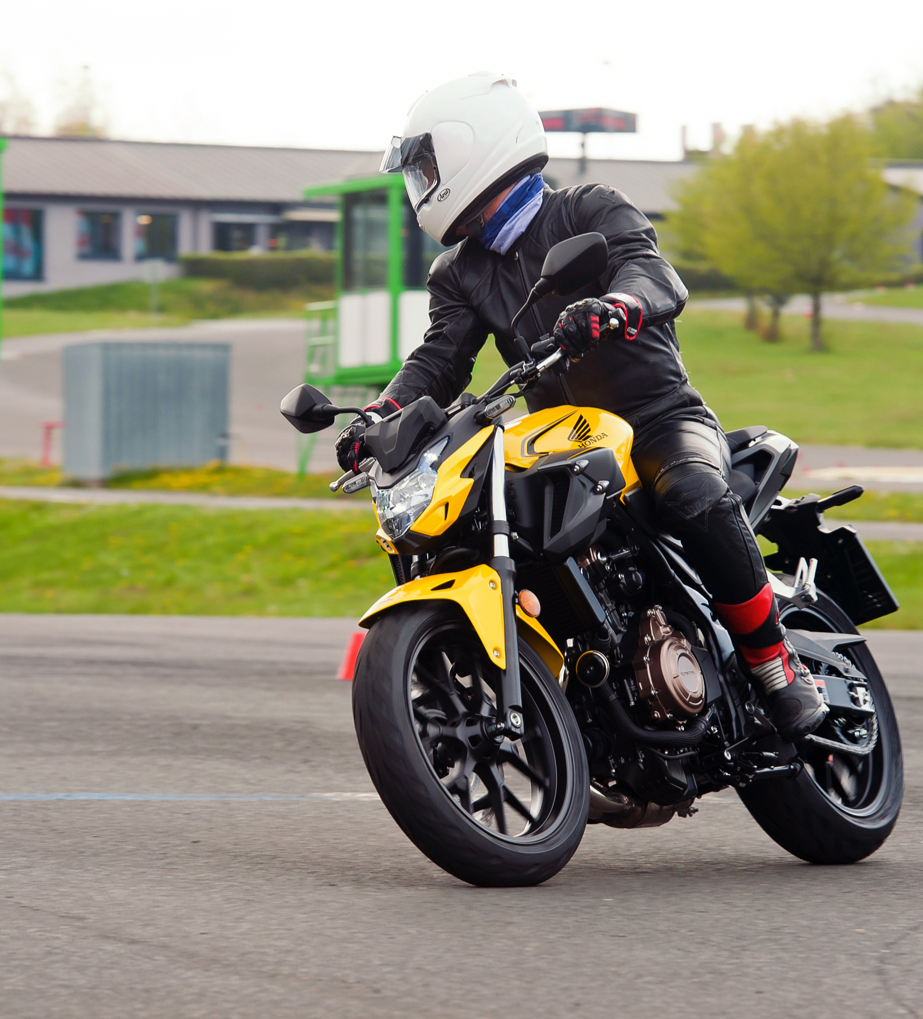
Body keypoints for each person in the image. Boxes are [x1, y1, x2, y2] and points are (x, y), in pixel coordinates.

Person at [335, 72, 827, 741]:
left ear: (472, 149)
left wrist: (615, 308)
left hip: (658, 416)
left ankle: (775, 665)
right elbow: (441, 359)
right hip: (560, 439)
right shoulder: (459, 271)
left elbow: (653, 274)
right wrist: (381, 416)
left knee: (692, 494)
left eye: (427, 165)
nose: (420, 182)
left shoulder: (589, 209)